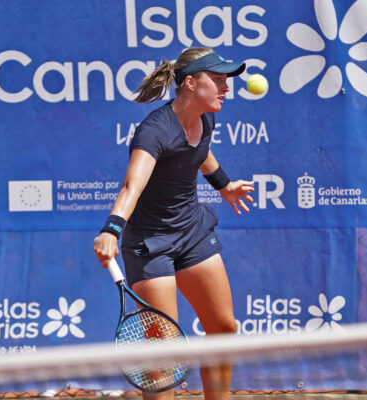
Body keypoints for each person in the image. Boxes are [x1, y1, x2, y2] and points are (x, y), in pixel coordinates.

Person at [93, 47, 254, 400]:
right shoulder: (154, 131)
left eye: (226, 80)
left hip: (192, 232)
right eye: (218, 80)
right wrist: (111, 230)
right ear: (192, 84)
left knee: (223, 326)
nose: (226, 88)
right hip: (151, 244)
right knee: (163, 353)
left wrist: (224, 184)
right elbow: (131, 187)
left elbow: (200, 152)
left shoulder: (207, 116)